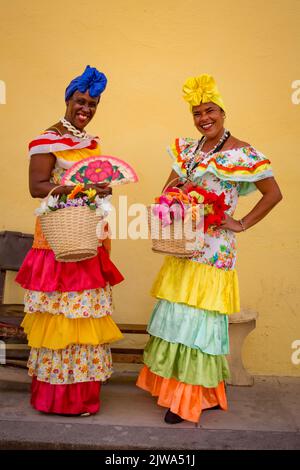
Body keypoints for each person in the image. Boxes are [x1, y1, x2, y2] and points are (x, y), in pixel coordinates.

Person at [136, 73, 283, 424]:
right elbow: (167, 191)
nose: (204, 118)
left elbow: (274, 194)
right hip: (184, 245)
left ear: (223, 111)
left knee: (199, 323)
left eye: (210, 110)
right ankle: (206, 392)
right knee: (178, 319)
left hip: (215, 251)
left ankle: (187, 398)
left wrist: (241, 222)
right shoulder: (189, 150)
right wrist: (179, 189)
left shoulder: (243, 153)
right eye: (197, 113)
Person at [16, 65, 124, 416]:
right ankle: (56, 399)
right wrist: (82, 189)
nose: (87, 109)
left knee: (83, 321)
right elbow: (37, 187)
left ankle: (82, 398)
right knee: (61, 319)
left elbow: (88, 181)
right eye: (81, 101)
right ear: (68, 99)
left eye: (93, 104)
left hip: (86, 240)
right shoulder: (47, 139)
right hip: (57, 246)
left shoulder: (88, 142)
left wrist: (99, 188)